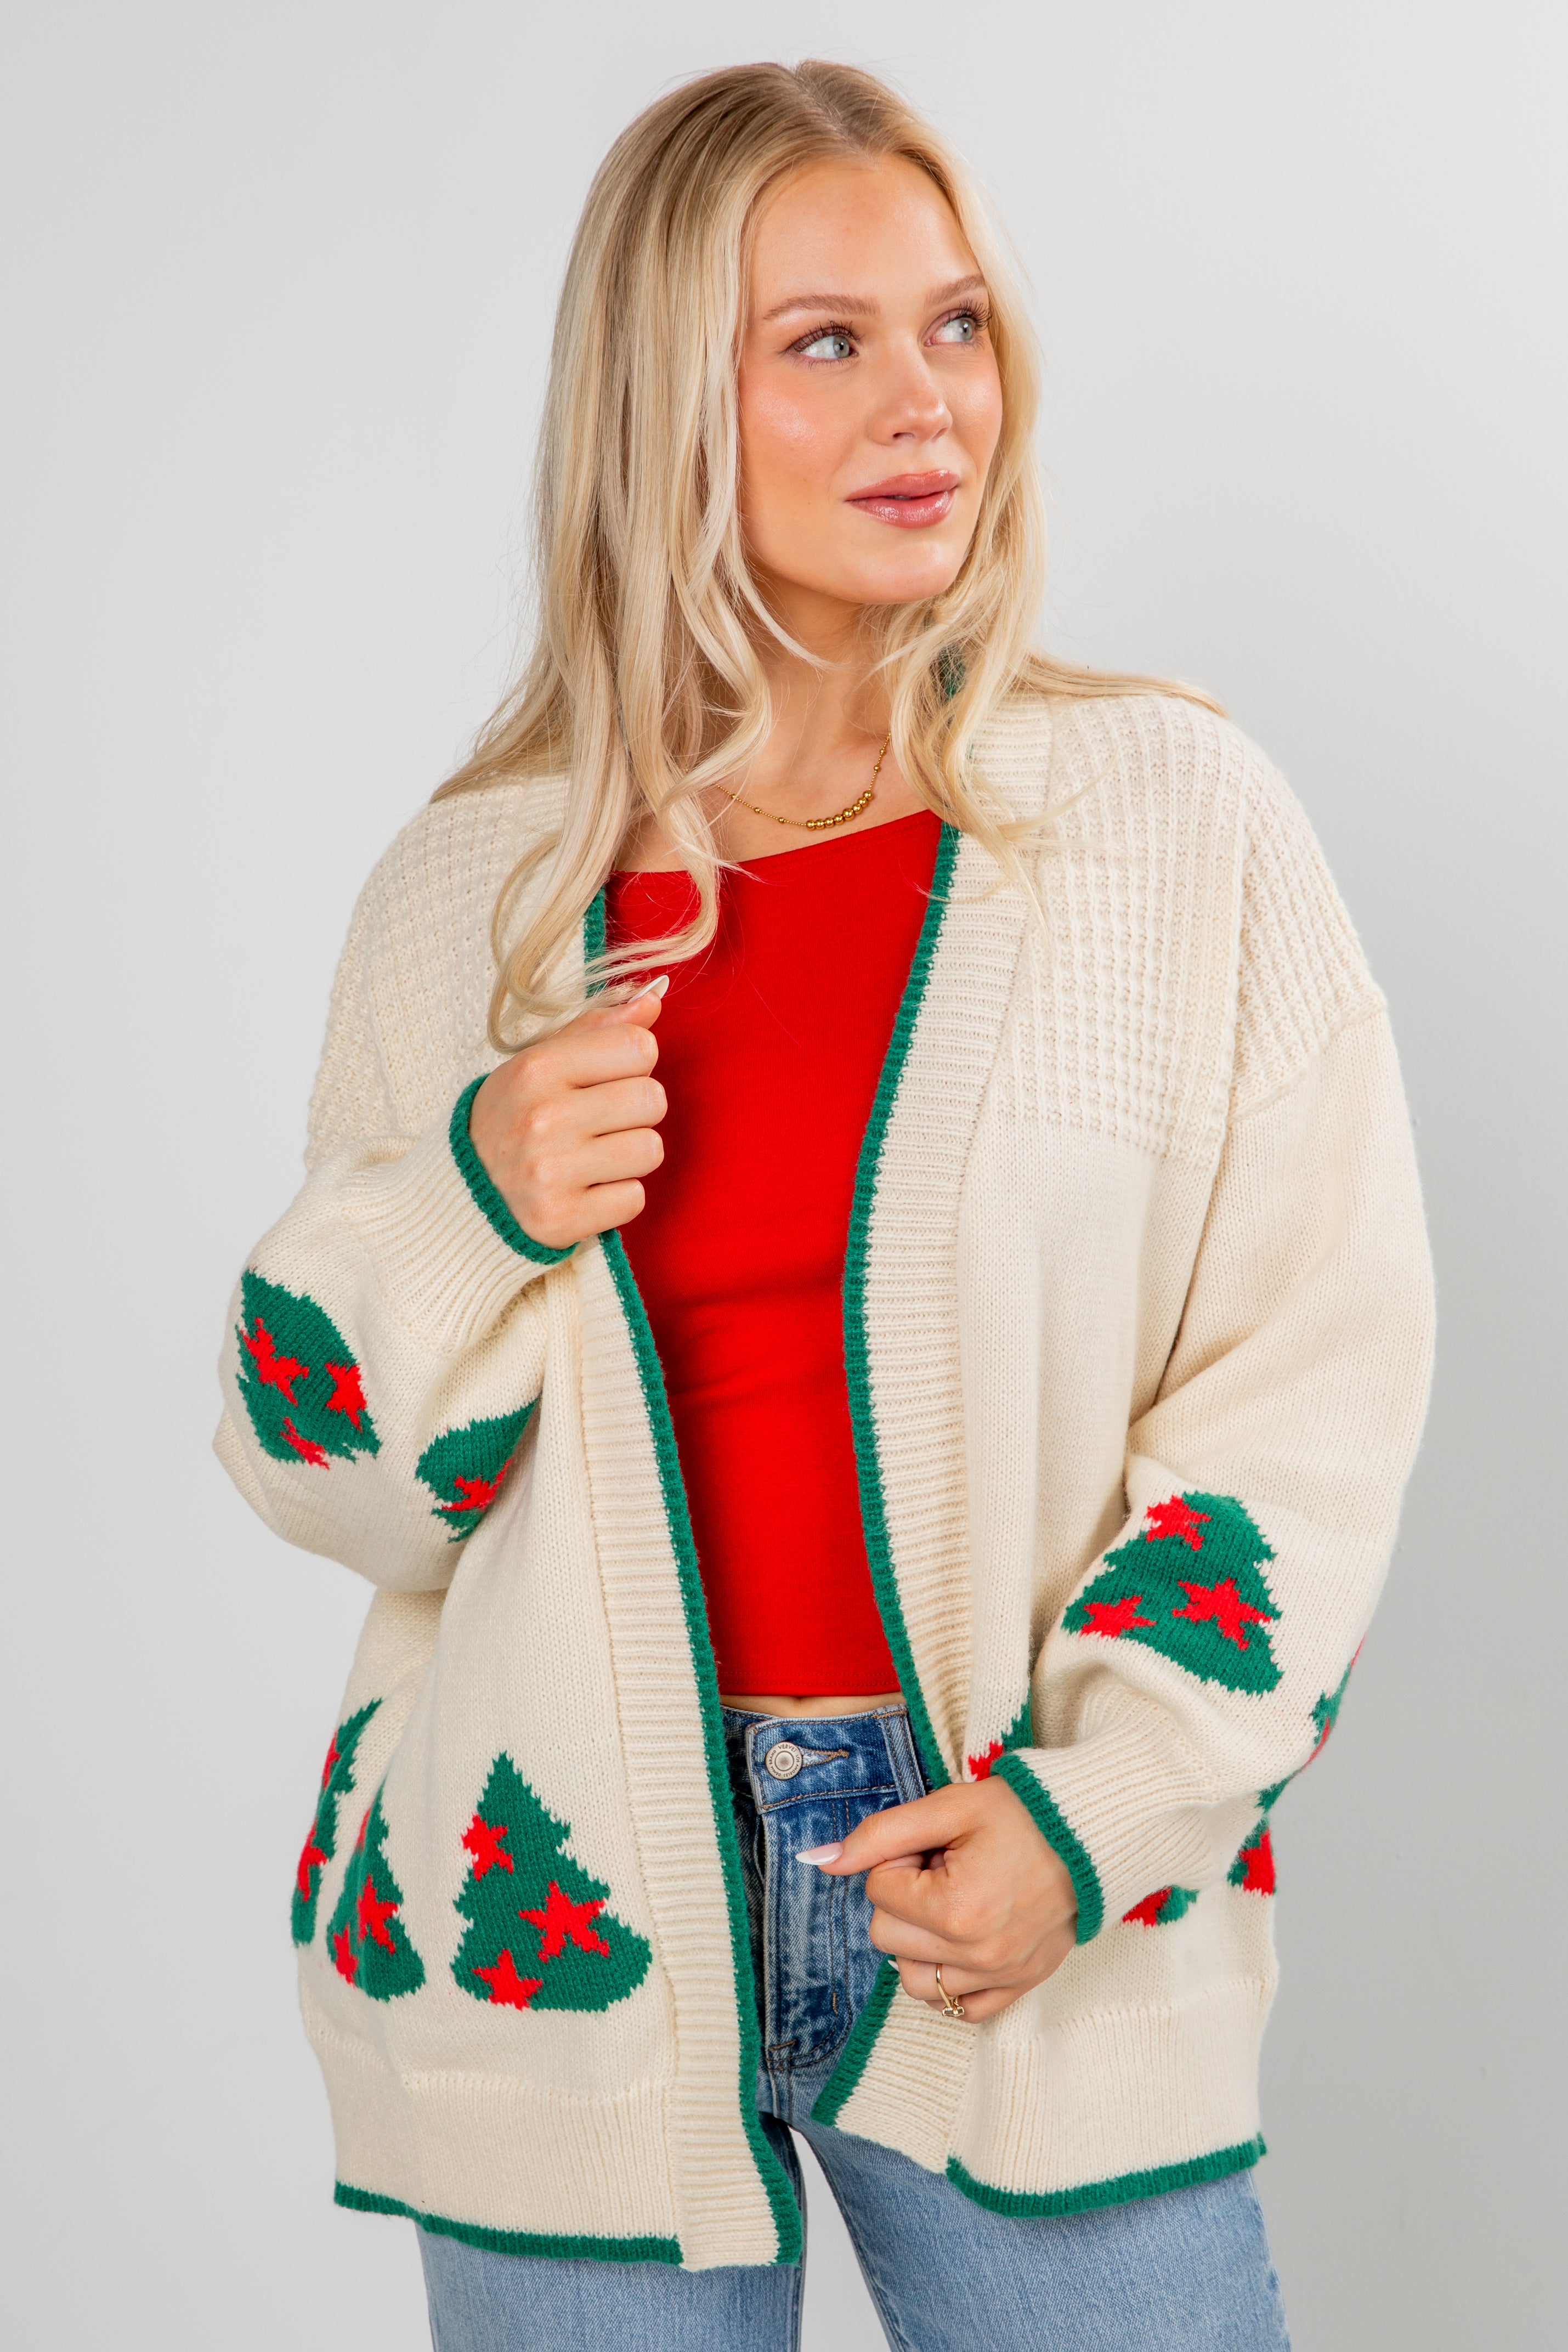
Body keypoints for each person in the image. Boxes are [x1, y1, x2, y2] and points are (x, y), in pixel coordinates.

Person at [216, 59, 1433, 2352]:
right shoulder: (479, 886)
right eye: (825, 341)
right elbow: (324, 1466)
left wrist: (1102, 1807)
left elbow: (1317, 1371)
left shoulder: (1172, 821)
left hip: (1015, 1880)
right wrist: (471, 1201)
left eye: (957, 326)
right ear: (669, 396)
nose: (925, 408)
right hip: (557, 1906)